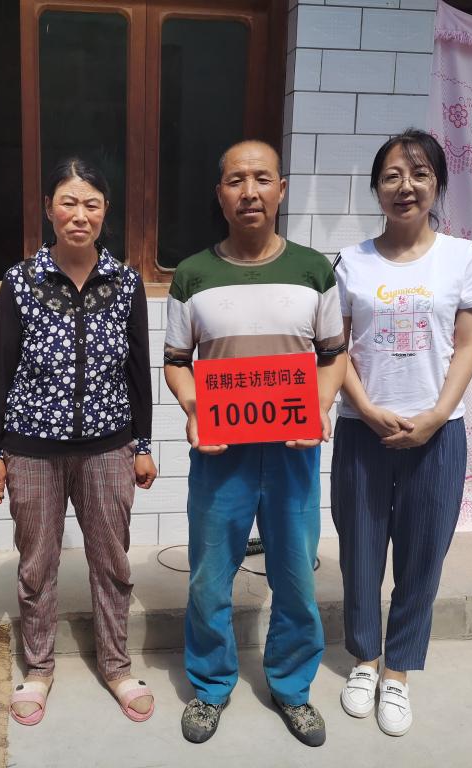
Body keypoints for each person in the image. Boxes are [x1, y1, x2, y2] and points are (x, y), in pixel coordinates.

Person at [163, 140, 346, 747]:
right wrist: (195, 409)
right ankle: (211, 685)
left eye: (262, 179)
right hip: (221, 457)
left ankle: (292, 688)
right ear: (219, 194)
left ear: (281, 189)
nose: (249, 192)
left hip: (293, 453)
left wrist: (319, 408)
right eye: (236, 180)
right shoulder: (192, 275)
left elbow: (334, 356)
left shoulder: (315, 271)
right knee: (209, 578)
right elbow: (176, 362)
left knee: (295, 578)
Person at [0, 158, 158, 726]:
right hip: (31, 447)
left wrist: (144, 443)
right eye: (68, 202)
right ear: (48, 210)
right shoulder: (20, 281)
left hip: (109, 447)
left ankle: (117, 666)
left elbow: (138, 371)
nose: (79, 215)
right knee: (37, 564)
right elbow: (0, 370)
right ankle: (38, 668)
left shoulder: (126, 283)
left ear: (105, 213)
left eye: (91, 204)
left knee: (112, 561)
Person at [331, 128, 472, 737]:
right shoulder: (350, 262)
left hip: (438, 434)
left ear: (437, 185)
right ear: (376, 188)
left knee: (422, 557)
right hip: (362, 431)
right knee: (360, 552)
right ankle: (364, 661)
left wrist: (435, 415)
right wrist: (367, 408)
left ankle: (398, 671)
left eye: (420, 174)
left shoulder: (461, 256)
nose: (406, 186)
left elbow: (468, 343)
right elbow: (335, 349)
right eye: (393, 176)